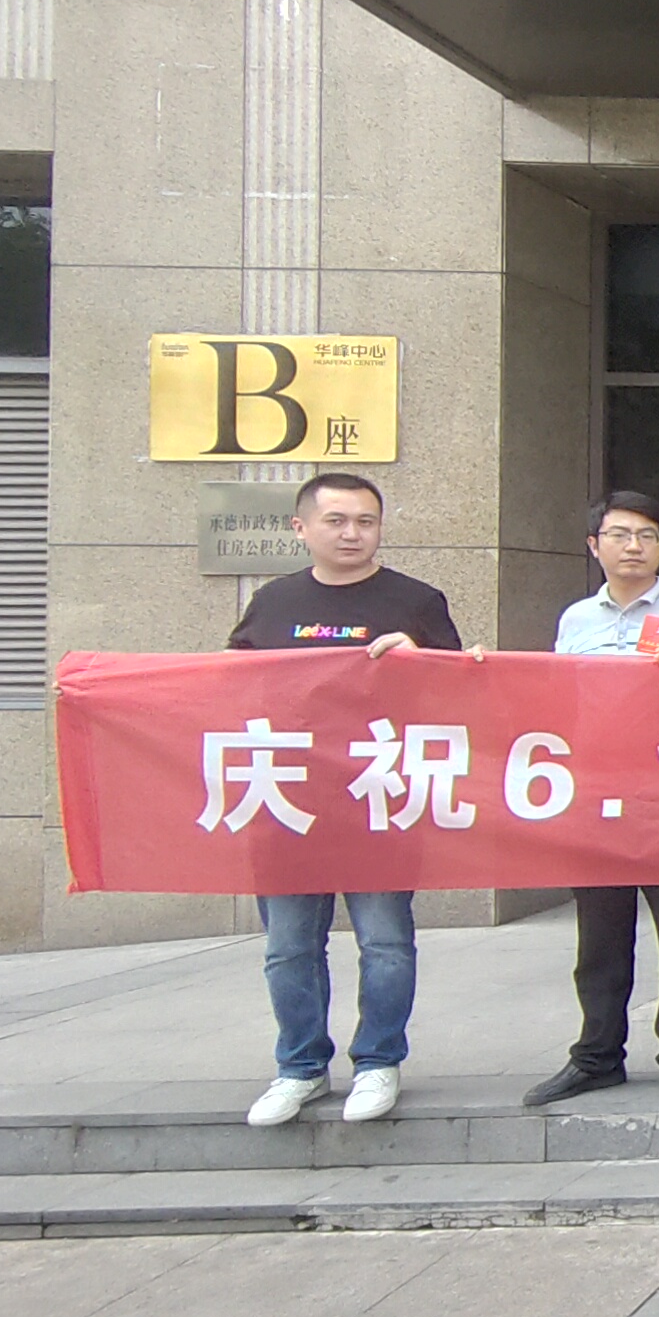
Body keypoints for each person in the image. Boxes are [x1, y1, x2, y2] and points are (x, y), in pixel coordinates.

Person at [231, 473, 469, 1128]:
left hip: (377, 796)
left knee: (385, 942)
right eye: (336, 521)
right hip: (286, 797)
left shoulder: (416, 601)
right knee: (288, 947)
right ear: (301, 528)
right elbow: (226, 686)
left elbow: (459, 693)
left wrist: (419, 659)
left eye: (365, 521)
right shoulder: (272, 602)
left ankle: (378, 1061)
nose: (351, 533)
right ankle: (300, 1067)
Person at [526, 492, 659, 1110]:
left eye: (646, 535)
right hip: (597, 792)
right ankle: (597, 1055)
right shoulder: (575, 620)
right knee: (600, 933)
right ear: (595, 546)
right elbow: (560, 699)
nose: (633, 547)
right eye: (619, 535)